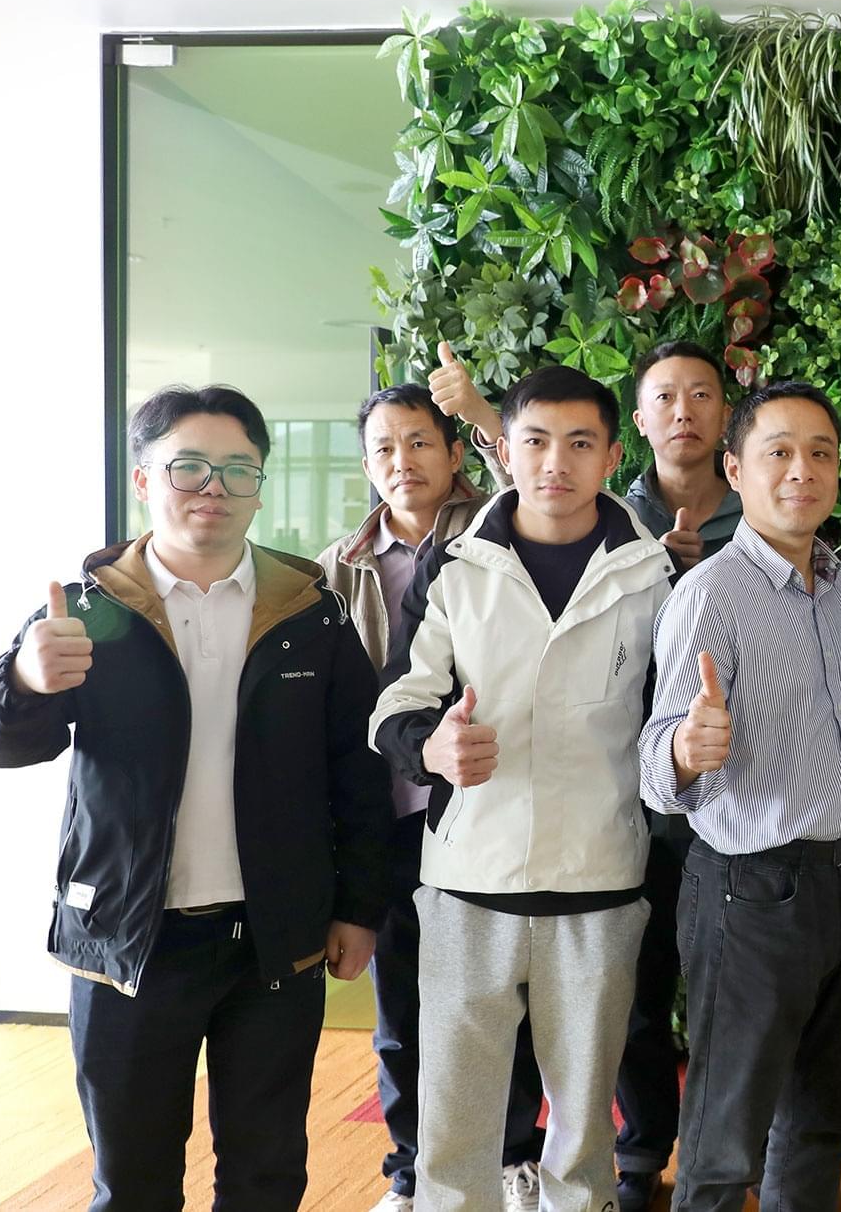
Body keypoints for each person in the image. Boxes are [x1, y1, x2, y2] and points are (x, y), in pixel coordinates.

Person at [0, 384, 392, 1212]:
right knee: (132, 1181)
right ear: (143, 480)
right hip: (129, 941)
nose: (213, 488)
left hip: (273, 941)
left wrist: (358, 907)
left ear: (259, 485)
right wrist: (24, 678)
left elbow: (358, 772)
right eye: (188, 466)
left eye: (237, 469)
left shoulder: (312, 613)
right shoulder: (90, 609)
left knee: (266, 1176)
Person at [372, 365, 673, 1212]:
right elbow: (396, 701)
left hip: (599, 878)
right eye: (535, 441)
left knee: (583, 1130)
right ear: (504, 450)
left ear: (611, 456)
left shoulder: (652, 576)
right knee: (456, 1124)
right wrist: (432, 746)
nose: (555, 462)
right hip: (470, 879)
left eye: (580, 443)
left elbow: (667, 719)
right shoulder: (455, 567)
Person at [640, 380, 841, 1212]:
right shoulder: (710, 594)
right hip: (751, 891)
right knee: (727, 1137)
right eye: (780, 452)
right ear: (736, 469)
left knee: (820, 1121)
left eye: (820, 453)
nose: (803, 469)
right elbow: (656, 761)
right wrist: (686, 750)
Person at [316, 383, 545, 1212]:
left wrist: (486, 414)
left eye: (418, 441)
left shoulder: (500, 530)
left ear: (454, 453)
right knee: (402, 1006)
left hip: (482, 808)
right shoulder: (337, 567)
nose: (401, 461)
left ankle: (513, 1157)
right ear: (366, 463)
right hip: (387, 817)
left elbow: (536, 489)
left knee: (499, 996)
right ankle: (411, 1169)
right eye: (383, 447)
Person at [610, 340, 742, 1210]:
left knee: (738, 994)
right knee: (637, 989)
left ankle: (729, 1156)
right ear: (640, 418)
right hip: (633, 801)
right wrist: (657, 572)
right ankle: (642, 1150)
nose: (684, 410)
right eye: (665, 396)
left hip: (743, 799)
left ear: (726, 413)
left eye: (701, 394)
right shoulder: (607, 525)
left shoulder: (768, 512)